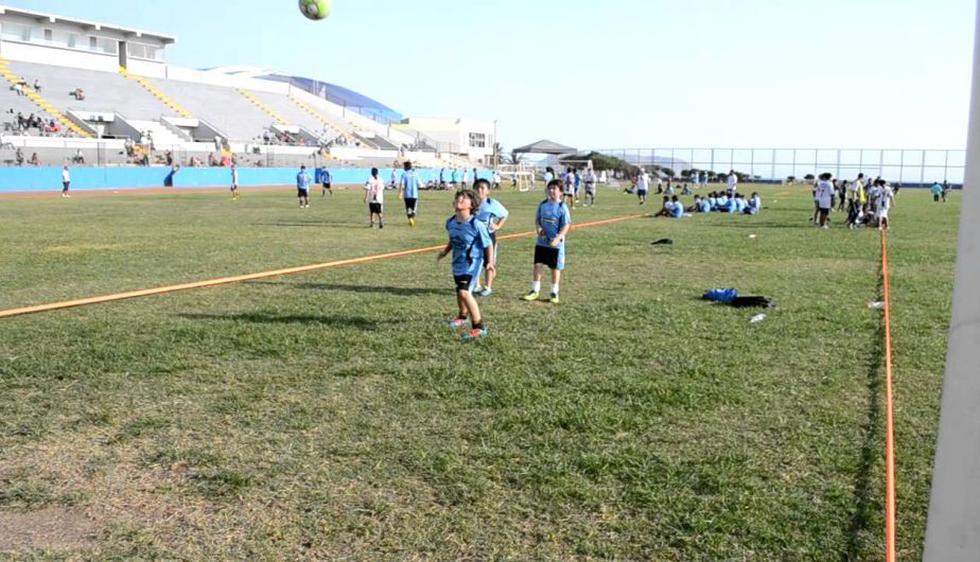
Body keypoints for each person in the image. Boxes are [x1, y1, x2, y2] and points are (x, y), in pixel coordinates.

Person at [436, 189, 494, 341]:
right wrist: (445, 252)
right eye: (458, 197)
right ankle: (462, 316)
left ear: (472, 205)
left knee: (464, 292)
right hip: (458, 263)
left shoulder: (477, 224)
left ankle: (479, 327)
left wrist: (490, 263)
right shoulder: (450, 222)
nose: (460, 199)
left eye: (464, 198)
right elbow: (453, 240)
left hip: (472, 263)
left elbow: (488, 244)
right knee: (459, 291)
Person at [522, 180, 571, 304]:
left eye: (554, 188)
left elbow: (566, 225)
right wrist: (538, 228)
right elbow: (537, 220)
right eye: (549, 188)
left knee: (555, 268)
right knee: (538, 265)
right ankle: (534, 290)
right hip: (542, 242)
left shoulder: (562, 207)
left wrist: (558, 238)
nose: (551, 191)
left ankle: (554, 292)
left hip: (555, 244)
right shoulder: (543, 204)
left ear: (561, 192)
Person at [474, 178, 509, 297]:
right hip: (475, 236)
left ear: (488, 191)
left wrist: (498, 225)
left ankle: (488, 287)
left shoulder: (491, 203)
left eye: (482, 188)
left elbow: (505, 214)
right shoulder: (471, 202)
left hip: (488, 236)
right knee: (475, 260)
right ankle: (476, 285)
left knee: (489, 262)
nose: (480, 190)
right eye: (477, 187)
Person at [398, 160, 421, 227]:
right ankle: (412, 218)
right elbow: (419, 184)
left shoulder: (404, 174)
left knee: (408, 208)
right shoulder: (415, 173)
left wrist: (400, 193)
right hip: (414, 195)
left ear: (406, 166)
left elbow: (401, 184)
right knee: (414, 209)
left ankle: (410, 218)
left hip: (407, 195)